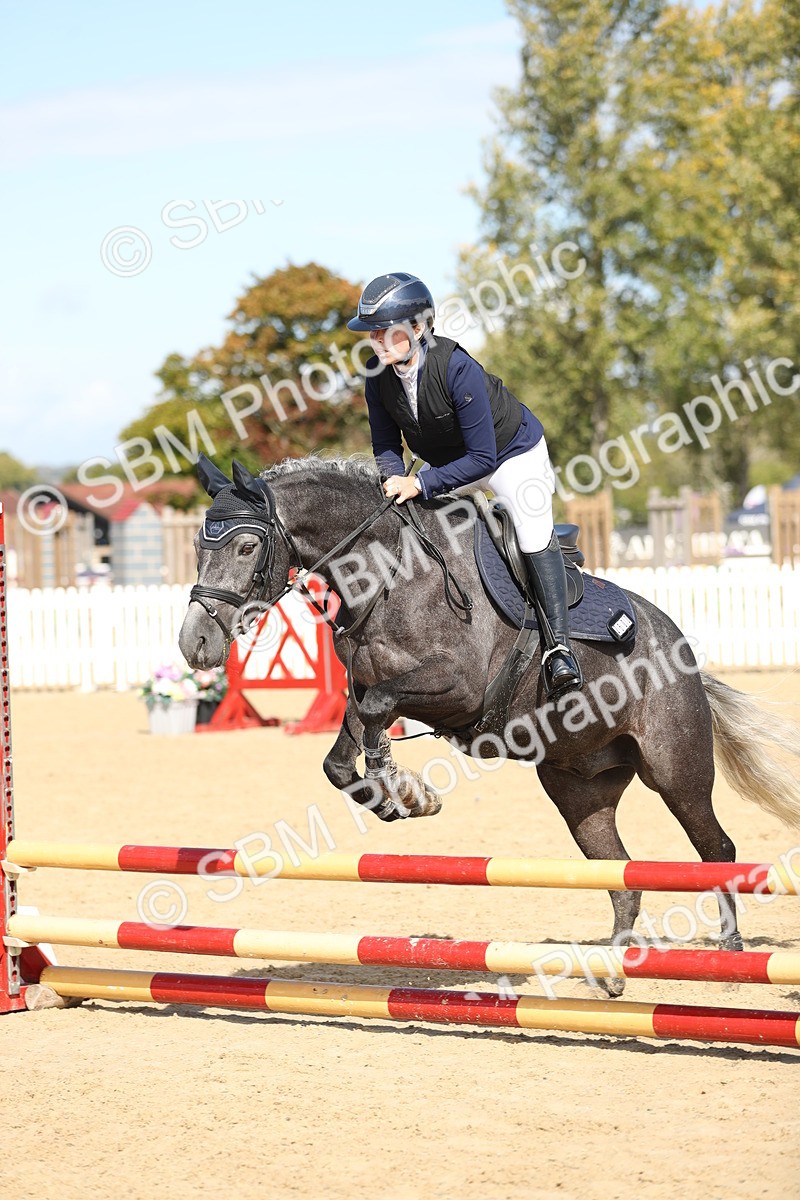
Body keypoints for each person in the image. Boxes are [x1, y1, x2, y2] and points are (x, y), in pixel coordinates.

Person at [347, 271, 583, 700]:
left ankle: (559, 650)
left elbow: (482, 460)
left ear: (418, 328)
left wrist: (420, 482)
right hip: (449, 465)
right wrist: (390, 481)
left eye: (385, 331)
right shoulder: (377, 376)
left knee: (529, 534)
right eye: (372, 333)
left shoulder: (456, 367)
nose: (376, 341)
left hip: (510, 456)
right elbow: (384, 444)